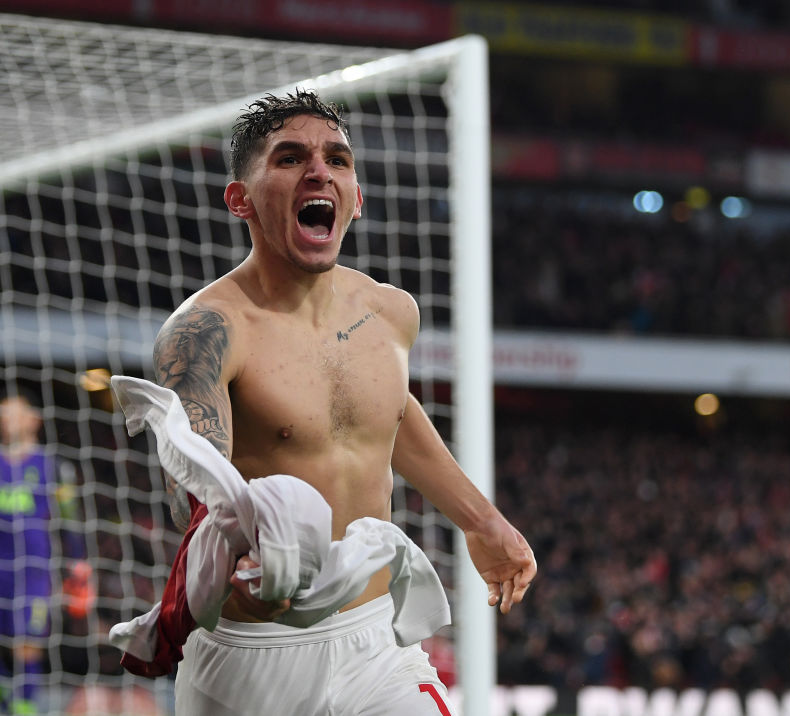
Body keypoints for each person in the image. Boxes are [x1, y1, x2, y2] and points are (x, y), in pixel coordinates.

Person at [148, 89, 536, 715]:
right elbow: (196, 488)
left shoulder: (390, 313)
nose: (319, 171)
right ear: (239, 200)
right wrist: (237, 569)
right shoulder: (204, 334)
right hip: (249, 655)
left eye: (337, 158)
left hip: (375, 645)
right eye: (289, 158)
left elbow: (390, 413)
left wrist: (481, 520)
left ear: (356, 199)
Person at [0, 387, 88, 716]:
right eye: (2, 415)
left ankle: (25, 708)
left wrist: (79, 560)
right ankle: (9, 705)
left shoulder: (53, 465)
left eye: (13, 414)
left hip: (33, 569)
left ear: (33, 420)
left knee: (27, 646)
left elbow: (70, 516)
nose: (6, 421)